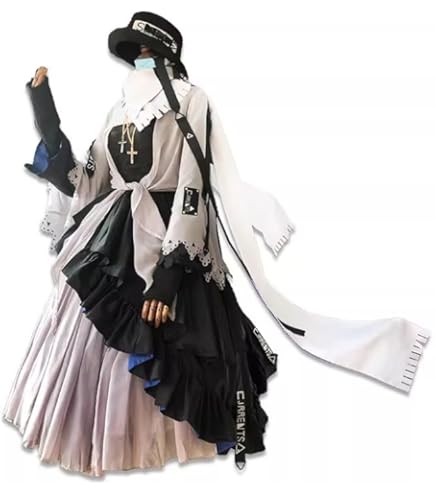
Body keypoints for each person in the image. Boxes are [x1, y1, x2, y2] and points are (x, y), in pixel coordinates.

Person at [2, 10, 431, 478]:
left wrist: (168, 276)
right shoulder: (116, 111)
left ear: (166, 57)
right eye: (134, 52)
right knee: (95, 340)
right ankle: (103, 439)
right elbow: (88, 183)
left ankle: (167, 438)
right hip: (113, 239)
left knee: (177, 344)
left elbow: (192, 188)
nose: (140, 60)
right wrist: (46, 115)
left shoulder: (192, 100)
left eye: (148, 52)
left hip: (170, 238)